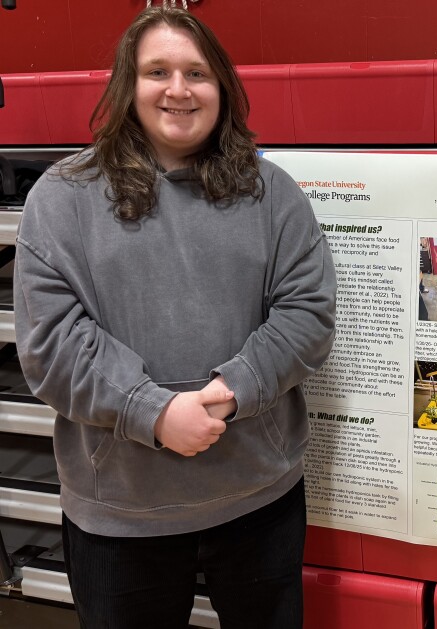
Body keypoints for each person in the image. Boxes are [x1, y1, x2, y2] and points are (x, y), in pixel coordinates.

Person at [13, 7, 335, 629]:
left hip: (257, 500)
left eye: (198, 73)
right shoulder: (63, 198)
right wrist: (153, 411)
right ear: (127, 88)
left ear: (224, 89)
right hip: (121, 516)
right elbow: (51, 343)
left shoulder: (273, 194)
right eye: (157, 71)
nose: (179, 90)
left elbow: (307, 311)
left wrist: (235, 387)